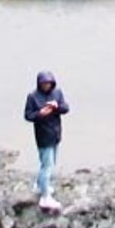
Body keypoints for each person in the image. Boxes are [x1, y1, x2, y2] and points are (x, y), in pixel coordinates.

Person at [23, 70, 69, 211]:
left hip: (55, 134)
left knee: (51, 162)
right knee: (47, 166)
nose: (46, 86)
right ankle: (45, 197)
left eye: (49, 83)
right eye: (44, 83)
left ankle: (40, 185)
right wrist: (40, 114)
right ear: (39, 84)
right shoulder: (33, 97)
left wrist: (56, 107)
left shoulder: (57, 93)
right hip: (43, 136)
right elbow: (28, 115)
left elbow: (66, 108)